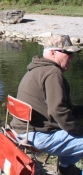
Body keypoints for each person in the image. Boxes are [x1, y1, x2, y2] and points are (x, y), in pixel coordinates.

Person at [10, 35, 83, 175]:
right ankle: (67, 167)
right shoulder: (53, 73)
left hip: (22, 130)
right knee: (74, 129)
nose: (72, 57)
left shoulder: (36, 68)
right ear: (53, 52)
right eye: (68, 53)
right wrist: (79, 131)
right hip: (38, 135)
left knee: (70, 126)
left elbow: (57, 107)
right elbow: (59, 111)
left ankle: (67, 168)